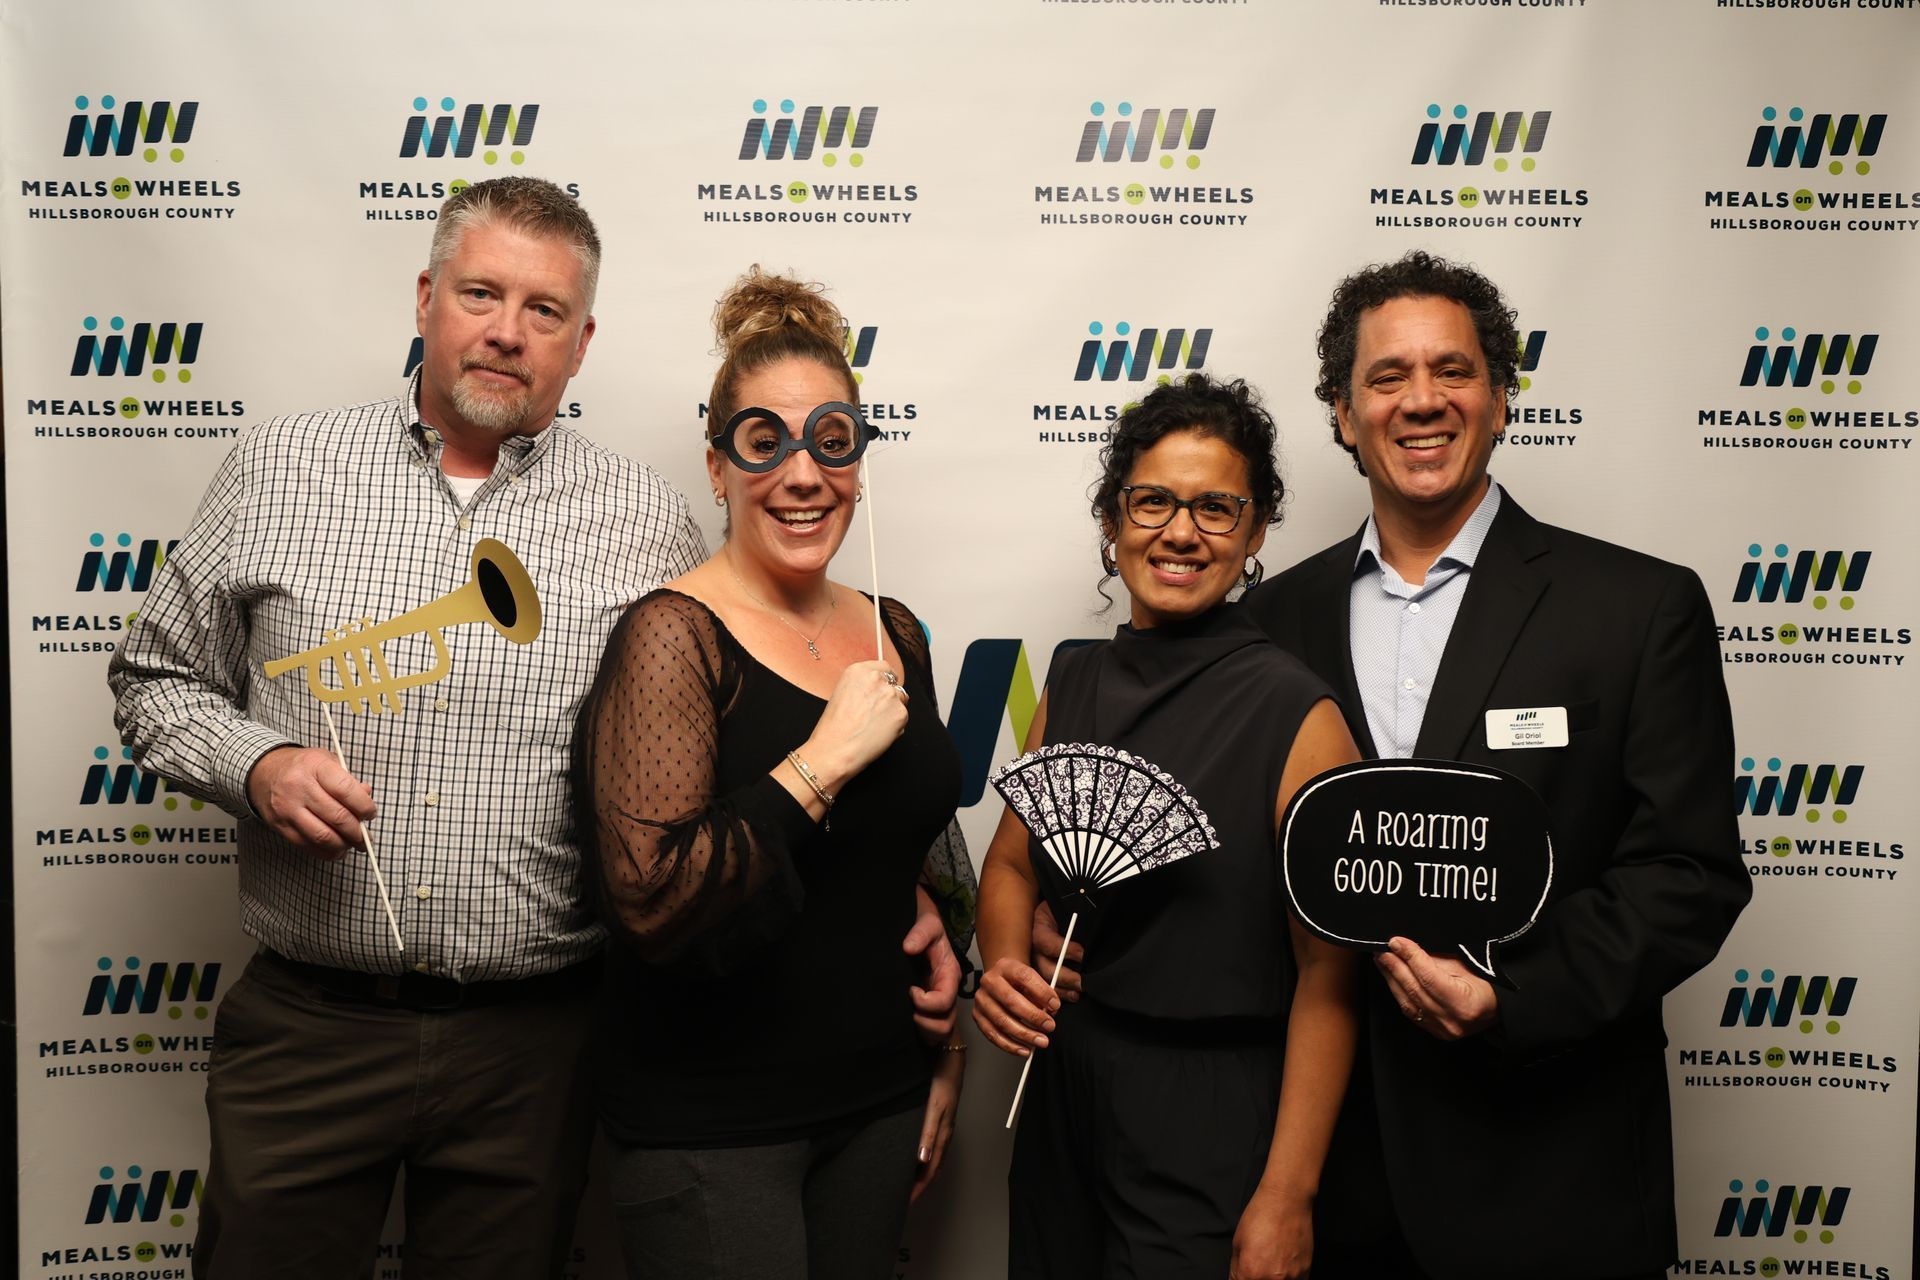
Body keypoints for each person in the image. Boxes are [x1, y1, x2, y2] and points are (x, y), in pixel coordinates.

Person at [106, 183, 960, 1280]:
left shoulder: (645, 519)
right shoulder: (279, 471)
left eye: (546, 310)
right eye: (481, 294)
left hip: (538, 1042)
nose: (509, 330)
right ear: (426, 299)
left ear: (583, 342)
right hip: (315, 1023)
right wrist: (255, 761)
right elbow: (153, 675)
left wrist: (924, 889)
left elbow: (783, 701)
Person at [1238, 250, 1751, 1279]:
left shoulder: (1637, 609)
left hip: (1552, 1176)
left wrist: (1509, 992)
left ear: (1502, 398)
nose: (1422, 400)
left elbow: (1688, 873)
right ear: (1342, 412)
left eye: (1454, 370)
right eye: (1387, 377)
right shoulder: (1270, 624)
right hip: (1330, 1185)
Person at [573, 266, 972, 1280]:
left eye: (831, 440)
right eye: (765, 441)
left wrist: (949, 1033)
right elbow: (652, 899)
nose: (803, 473)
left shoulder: (898, 631)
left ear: (859, 459)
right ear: (717, 466)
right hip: (714, 1122)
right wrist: (821, 760)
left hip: (879, 1095)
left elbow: (918, 851)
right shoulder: (672, 634)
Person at [972, 374, 1363, 1280]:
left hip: (1214, 1106)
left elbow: (1329, 978)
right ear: (1114, 520)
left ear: (1257, 531)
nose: (1180, 533)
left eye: (1216, 509)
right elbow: (1009, 868)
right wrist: (1002, 966)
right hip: (1066, 1084)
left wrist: (1289, 1192)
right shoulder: (1069, 681)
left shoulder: (1296, 713)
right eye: (1153, 502)